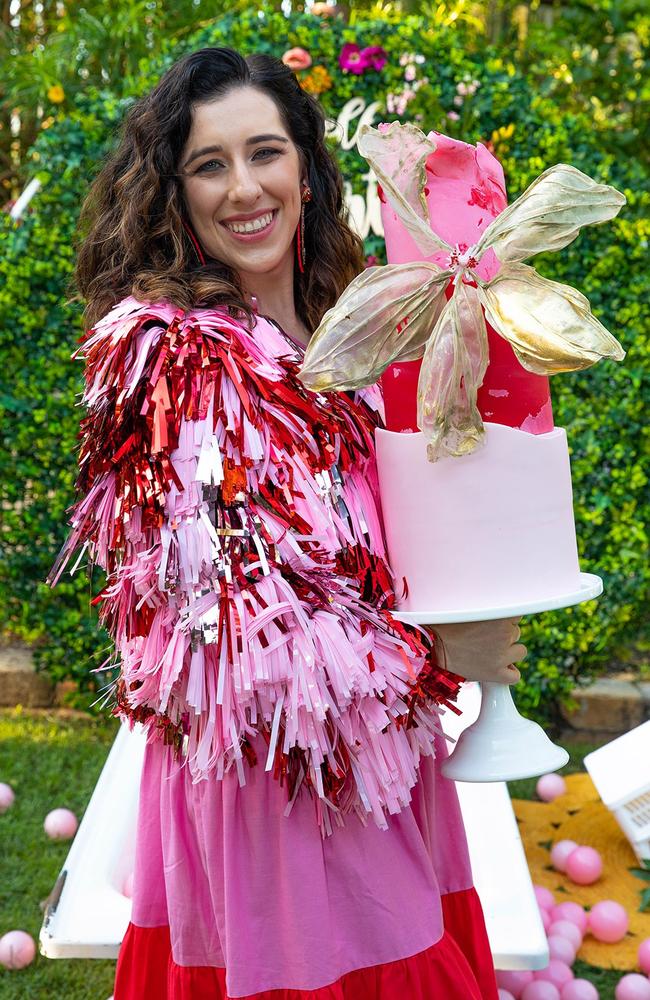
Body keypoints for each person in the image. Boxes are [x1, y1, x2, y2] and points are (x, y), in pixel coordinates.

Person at [47, 46, 528, 999]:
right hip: (280, 793)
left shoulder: (334, 326)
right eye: (208, 165)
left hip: (373, 762)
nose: (243, 188)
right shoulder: (178, 356)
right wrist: (440, 651)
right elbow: (235, 644)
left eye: (263, 152)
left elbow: (356, 551)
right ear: (173, 194)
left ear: (306, 166)